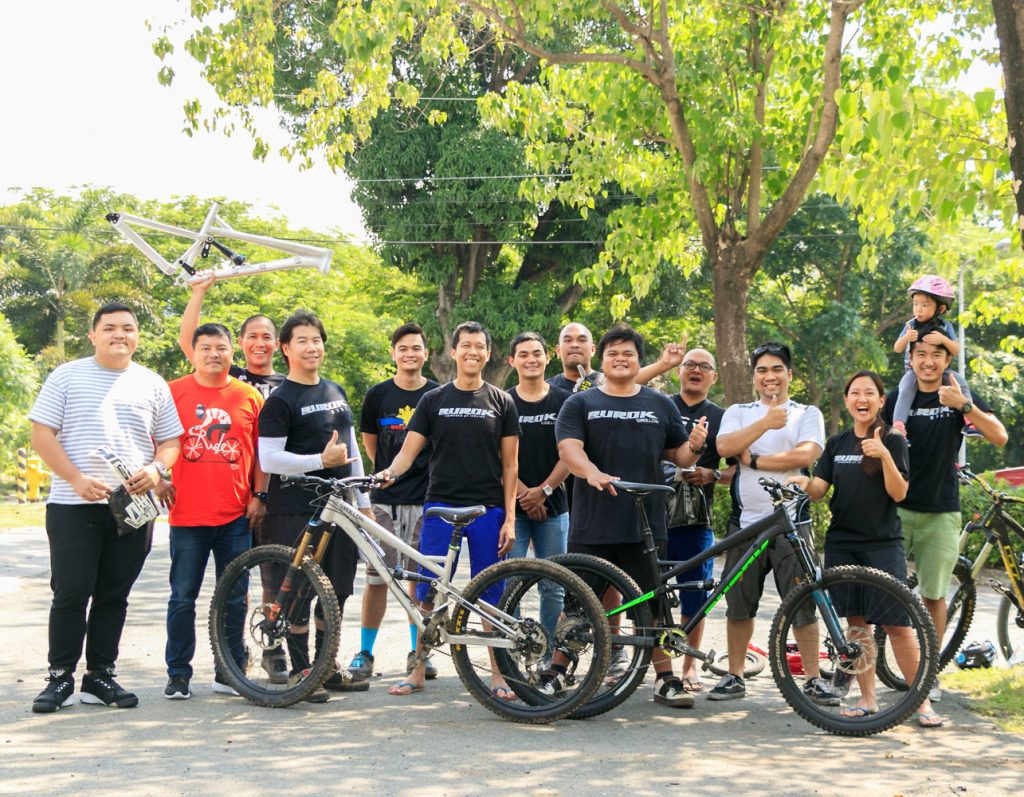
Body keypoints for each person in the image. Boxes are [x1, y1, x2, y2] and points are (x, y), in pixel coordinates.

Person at [28, 303, 183, 712]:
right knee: (72, 592)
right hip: (73, 505)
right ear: (93, 335)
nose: (120, 334)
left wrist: (156, 468)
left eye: (128, 328)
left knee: (114, 594)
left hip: (133, 506)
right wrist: (76, 479)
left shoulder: (152, 383)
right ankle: (59, 678)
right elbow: (42, 434)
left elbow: (171, 442)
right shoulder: (66, 376)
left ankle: (100, 676)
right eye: (110, 328)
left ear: (137, 336)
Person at [555, 323, 706, 709]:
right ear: (601, 361)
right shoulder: (582, 402)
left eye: (628, 353)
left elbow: (680, 457)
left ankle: (665, 679)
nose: (620, 359)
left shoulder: (660, 403)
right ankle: (557, 671)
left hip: (646, 522)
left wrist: (695, 446)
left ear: (638, 359)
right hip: (593, 519)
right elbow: (569, 449)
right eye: (613, 353)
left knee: (652, 604)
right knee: (579, 601)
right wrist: (591, 472)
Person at [376, 321, 520, 699]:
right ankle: (417, 671)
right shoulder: (433, 400)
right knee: (428, 595)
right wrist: (387, 474)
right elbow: (407, 453)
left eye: (479, 347)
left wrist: (510, 517)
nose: (472, 352)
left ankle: (499, 676)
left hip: (487, 510)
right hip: (440, 508)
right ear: (453, 353)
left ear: (488, 354)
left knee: (492, 597)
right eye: (465, 346)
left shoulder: (502, 401)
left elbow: (511, 466)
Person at [789, 370, 941, 727]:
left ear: (880, 401)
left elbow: (899, 493)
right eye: (855, 392)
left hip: (882, 545)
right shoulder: (838, 443)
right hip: (843, 542)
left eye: (869, 393)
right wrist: (802, 482)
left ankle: (920, 703)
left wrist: (884, 455)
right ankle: (867, 699)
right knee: (857, 627)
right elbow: (820, 490)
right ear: (846, 401)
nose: (862, 398)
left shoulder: (893, 439)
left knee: (897, 624)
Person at [881, 337, 1007, 703]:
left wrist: (965, 405)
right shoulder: (896, 400)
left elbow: (1000, 436)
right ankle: (861, 672)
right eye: (921, 354)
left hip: (941, 511)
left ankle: (927, 673)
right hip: (896, 508)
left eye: (937, 354)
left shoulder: (956, 393)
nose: (928, 361)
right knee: (877, 589)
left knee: (933, 596)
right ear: (911, 359)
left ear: (948, 359)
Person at [258, 309, 374, 702]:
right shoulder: (279, 400)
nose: (312, 347)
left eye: (317, 340)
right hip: (294, 508)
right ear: (285, 348)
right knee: (300, 592)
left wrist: (363, 499)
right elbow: (268, 460)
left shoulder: (335, 391)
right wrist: (317, 463)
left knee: (337, 591)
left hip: (339, 507)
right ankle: (302, 669)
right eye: (302, 341)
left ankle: (326, 666)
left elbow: (351, 448)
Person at [713, 342, 834, 704]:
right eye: (762, 370)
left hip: (793, 524)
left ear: (789, 374)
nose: (770, 376)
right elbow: (724, 446)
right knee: (738, 604)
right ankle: (734, 676)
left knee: (803, 603)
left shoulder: (807, 412)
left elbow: (807, 453)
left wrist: (756, 460)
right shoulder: (738, 410)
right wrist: (764, 422)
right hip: (745, 525)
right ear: (754, 377)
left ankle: (812, 678)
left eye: (777, 369)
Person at [161, 322, 267, 700]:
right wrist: (158, 476)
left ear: (231, 352)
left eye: (220, 347)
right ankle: (178, 674)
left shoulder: (249, 396)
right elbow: (156, 440)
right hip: (186, 515)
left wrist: (260, 495)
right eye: (205, 347)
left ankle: (230, 671)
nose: (213, 354)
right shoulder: (173, 392)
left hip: (235, 515)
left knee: (235, 596)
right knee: (182, 597)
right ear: (193, 352)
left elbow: (262, 453)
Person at [345, 323, 440, 683]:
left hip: (427, 499)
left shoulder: (437, 394)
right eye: (403, 348)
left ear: (426, 354)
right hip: (383, 500)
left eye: (416, 348)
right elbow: (371, 442)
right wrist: (389, 472)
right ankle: (365, 652)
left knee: (420, 581)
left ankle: (419, 653)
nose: (410, 354)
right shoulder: (377, 394)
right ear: (394, 353)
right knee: (377, 578)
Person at [665, 348, 735, 692]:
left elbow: (741, 468)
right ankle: (659, 667)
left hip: (696, 519)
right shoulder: (660, 405)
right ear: (679, 370)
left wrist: (713, 475)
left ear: (713, 376)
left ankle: (690, 666)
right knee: (649, 593)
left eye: (704, 366)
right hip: (653, 514)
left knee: (696, 594)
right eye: (689, 364)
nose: (695, 370)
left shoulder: (723, 417)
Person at [507, 332, 571, 642]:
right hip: (511, 509)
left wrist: (543, 491)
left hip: (555, 507)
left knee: (554, 583)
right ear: (512, 361)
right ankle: (515, 649)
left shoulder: (565, 401)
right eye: (523, 354)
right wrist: (524, 494)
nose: (531, 359)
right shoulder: (503, 401)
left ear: (548, 358)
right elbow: (497, 456)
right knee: (511, 581)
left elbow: (572, 454)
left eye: (536, 353)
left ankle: (548, 651)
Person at [178, 274, 284, 399]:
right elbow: (188, 343)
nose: (259, 344)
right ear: (240, 342)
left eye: (266, 337)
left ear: (277, 344)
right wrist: (198, 292)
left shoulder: (288, 386)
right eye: (252, 336)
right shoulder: (226, 374)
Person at [891, 275, 972, 437]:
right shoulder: (910, 325)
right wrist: (906, 338)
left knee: (960, 382)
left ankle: (970, 420)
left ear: (940, 309)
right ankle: (899, 426)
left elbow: (956, 350)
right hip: (913, 371)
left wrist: (942, 339)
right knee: (905, 389)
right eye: (915, 304)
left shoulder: (945, 326)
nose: (918, 309)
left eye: (924, 305)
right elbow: (897, 348)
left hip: (942, 371)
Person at [547, 321, 688, 393]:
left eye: (582, 340)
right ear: (558, 351)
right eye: (568, 340)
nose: (575, 345)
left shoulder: (606, 382)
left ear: (593, 350)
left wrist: (664, 364)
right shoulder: (547, 388)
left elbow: (631, 379)